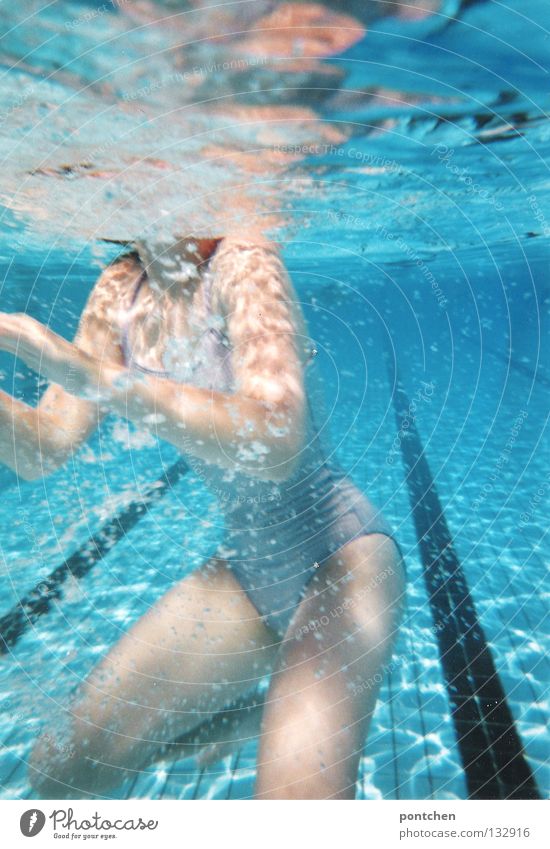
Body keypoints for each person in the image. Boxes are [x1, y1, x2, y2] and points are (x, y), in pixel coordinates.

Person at [0, 231, 405, 799]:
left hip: (341, 559)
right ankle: (261, 710)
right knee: (61, 774)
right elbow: (45, 448)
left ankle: (282, 707)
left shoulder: (241, 260)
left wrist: (94, 376)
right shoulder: (122, 285)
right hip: (246, 568)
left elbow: (277, 438)